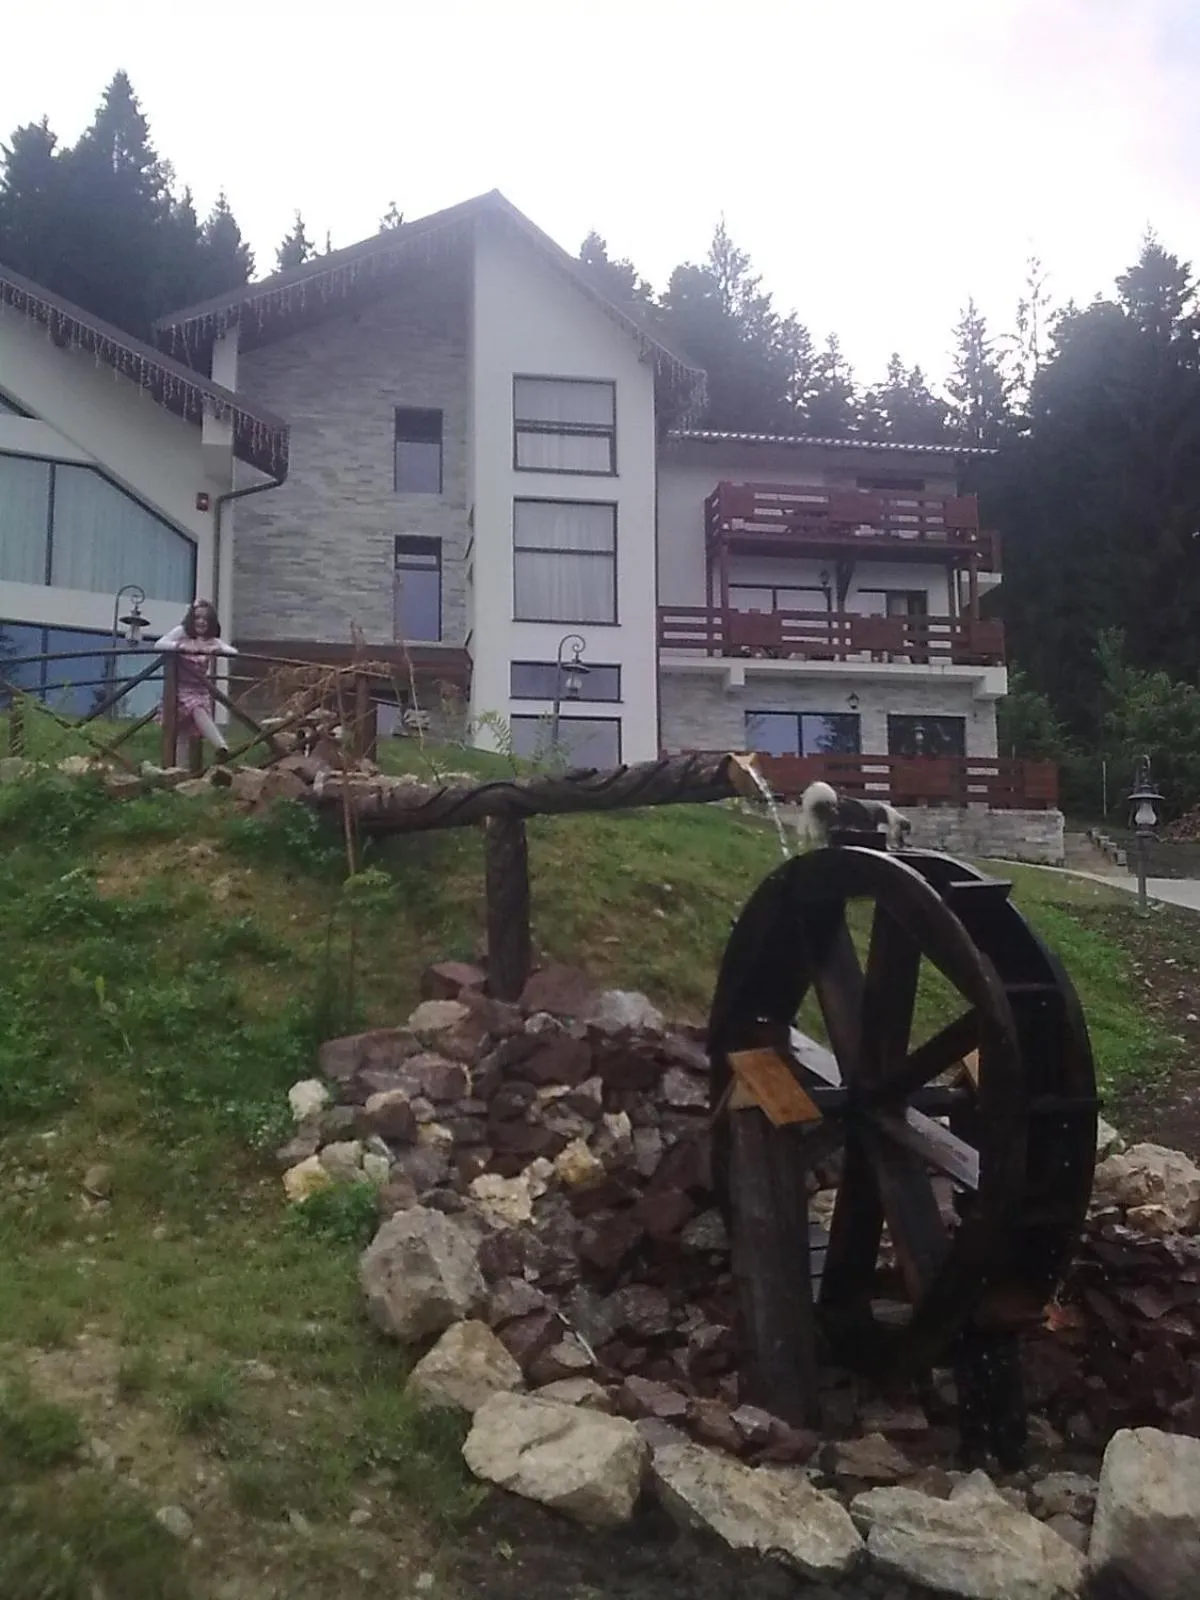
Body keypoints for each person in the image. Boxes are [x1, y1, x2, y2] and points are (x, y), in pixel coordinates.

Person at [156, 600, 237, 763]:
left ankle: (181, 773)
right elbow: (159, 644)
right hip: (179, 689)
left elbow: (233, 652)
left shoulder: (212, 640)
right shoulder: (182, 633)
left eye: (206, 619)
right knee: (188, 721)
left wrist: (219, 649)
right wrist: (179, 647)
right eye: (197, 617)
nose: (201, 622)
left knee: (189, 728)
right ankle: (221, 747)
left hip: (200, 689)